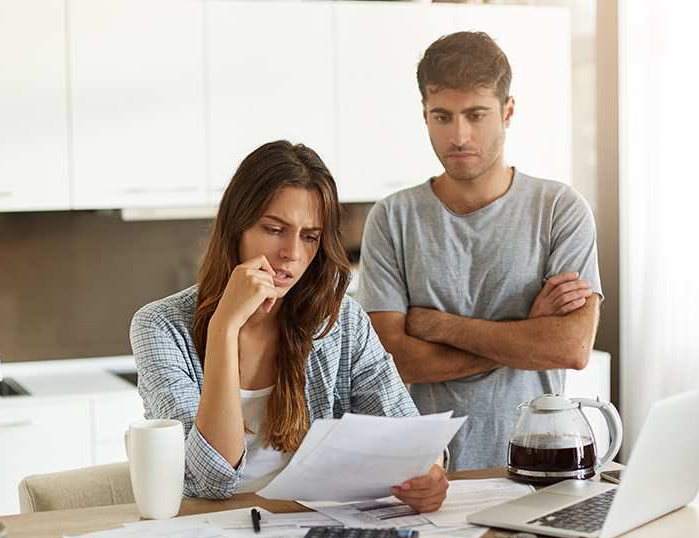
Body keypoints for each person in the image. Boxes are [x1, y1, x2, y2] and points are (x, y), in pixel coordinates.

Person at [130, 140, 448, 512]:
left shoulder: (342, 321)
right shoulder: (160, 327)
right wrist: (224, 328)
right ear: (237, 226)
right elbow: (210, 479)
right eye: (275, 229)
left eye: (310, 236)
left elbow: (406, 434)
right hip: (208, 530)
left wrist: (429, 472)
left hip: (313, 528)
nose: (293, 254)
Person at [357, 32, 603, 471]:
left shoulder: (560, 209)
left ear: (507, 112)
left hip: (539, 465)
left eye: (476, 114)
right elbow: (394, 360)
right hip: (425, 474)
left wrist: (440, 326)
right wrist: (526, 333)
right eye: (442, 116)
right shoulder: (392, 217)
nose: (459, 135)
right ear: (424, 115)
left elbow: (571, 346)